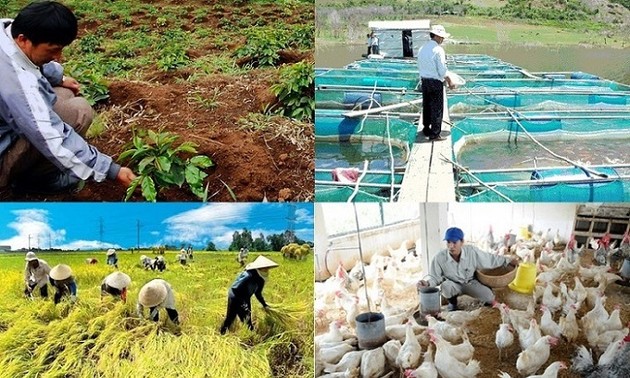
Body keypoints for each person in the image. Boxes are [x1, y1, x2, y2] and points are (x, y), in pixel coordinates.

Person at [0, 1, 137, 194]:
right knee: (80, 111)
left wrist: (59, 77)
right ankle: (35, 181)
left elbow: (26, 61)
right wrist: (111, 170)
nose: (59, 57)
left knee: (63, 93)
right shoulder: (15, 85)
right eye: (53, 50)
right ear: (23, 40)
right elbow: (49, 134)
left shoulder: (7, 31)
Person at [417, 227, 518, 311]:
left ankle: (487, 296)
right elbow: (435, 277)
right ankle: (453, 303)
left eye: (454, 242)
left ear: (462, 242)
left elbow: (489, 259)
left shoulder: (471, 252)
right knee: (445, 286)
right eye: (448, 242)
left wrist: (507, 261)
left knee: (489, 297)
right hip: (454, 284)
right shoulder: (439, 258)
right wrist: (427, 283)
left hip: (470, 282)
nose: (451, 246)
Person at [220, 256, 279, 334]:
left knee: (247, 318)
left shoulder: (261, 279)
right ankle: (223, 333)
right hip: (235, 296)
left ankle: (250, 334)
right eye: (265, 267)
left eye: (267, 267)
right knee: (232, 318)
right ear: (259, 267)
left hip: (245, 297)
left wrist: (264, 304)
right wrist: (241, 304)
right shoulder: (248, 275)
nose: (267, 269)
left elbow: (258, 293)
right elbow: (235, 288)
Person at [417, 25, 455, 141]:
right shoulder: (438, 50)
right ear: (438, 36)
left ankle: (426, 128)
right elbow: (442, 70)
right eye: (442, 37)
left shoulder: (422, 48)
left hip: (424, 80)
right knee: (437, 108)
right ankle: (435, 134)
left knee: (427, 106)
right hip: (435, 82)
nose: (442, 39)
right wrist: (450, 81)